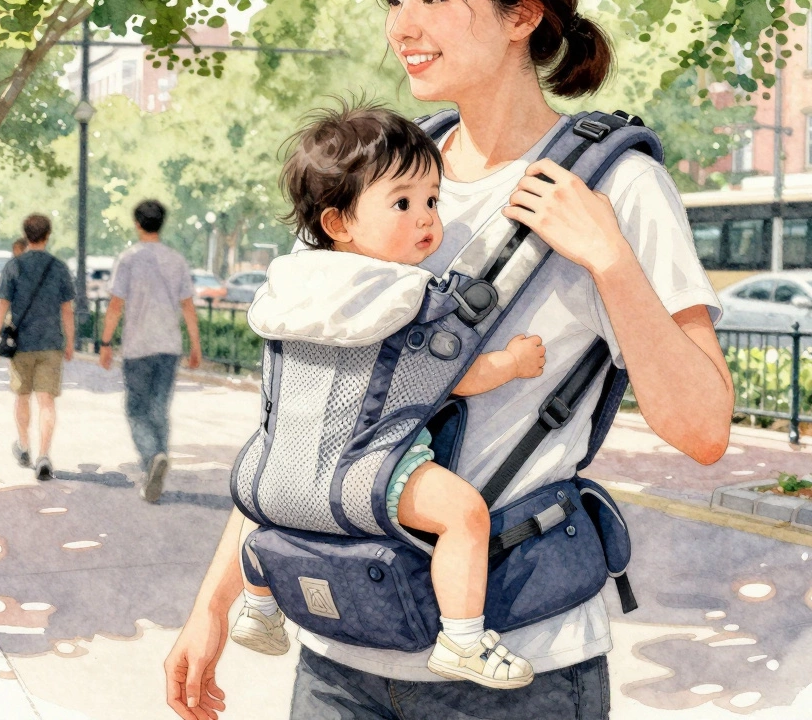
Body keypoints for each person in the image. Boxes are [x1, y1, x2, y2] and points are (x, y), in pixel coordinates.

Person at [163, 2, 736, 719]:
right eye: (392, 2)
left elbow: (703, 430)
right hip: (339, 657)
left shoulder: (616, 185)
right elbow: (305, 427)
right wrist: (212, 606)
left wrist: (610, 260)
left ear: (521, 15)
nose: (401, 27)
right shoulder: (378, 168)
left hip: (519, 669)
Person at [225, 104, 545, 689]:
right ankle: (463, 640)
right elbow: (449, 375)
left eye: (433, 201)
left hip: (275, 471)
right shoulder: (403, 296)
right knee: (465, 515)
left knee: (265, 509)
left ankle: (258, 606)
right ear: (338, 223)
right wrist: (513, 363)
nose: (426, 218)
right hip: (367, 471)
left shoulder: (293, 284)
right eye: (402, 204)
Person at [98, 200, 204, 503]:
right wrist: (195, 345)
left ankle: (152, 457)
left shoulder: (128, 259)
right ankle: (159, 458)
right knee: (159, 408)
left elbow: (115, 305)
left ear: (137, 224)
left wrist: (105, 343)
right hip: (169, 346)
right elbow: (188, 306)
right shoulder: (176, 260)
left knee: (136, 410)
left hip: (138, 347)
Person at [0, 214, 76, 482]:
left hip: (21, 344)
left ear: (26, 236)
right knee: (46, 401)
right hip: (50, 343)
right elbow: (67, 310)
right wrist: (70, 341)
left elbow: (1, 306)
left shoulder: (14, 266)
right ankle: (44, 456)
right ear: (48, 235)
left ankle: (24, 446)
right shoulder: (58, 267)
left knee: (22, 397)